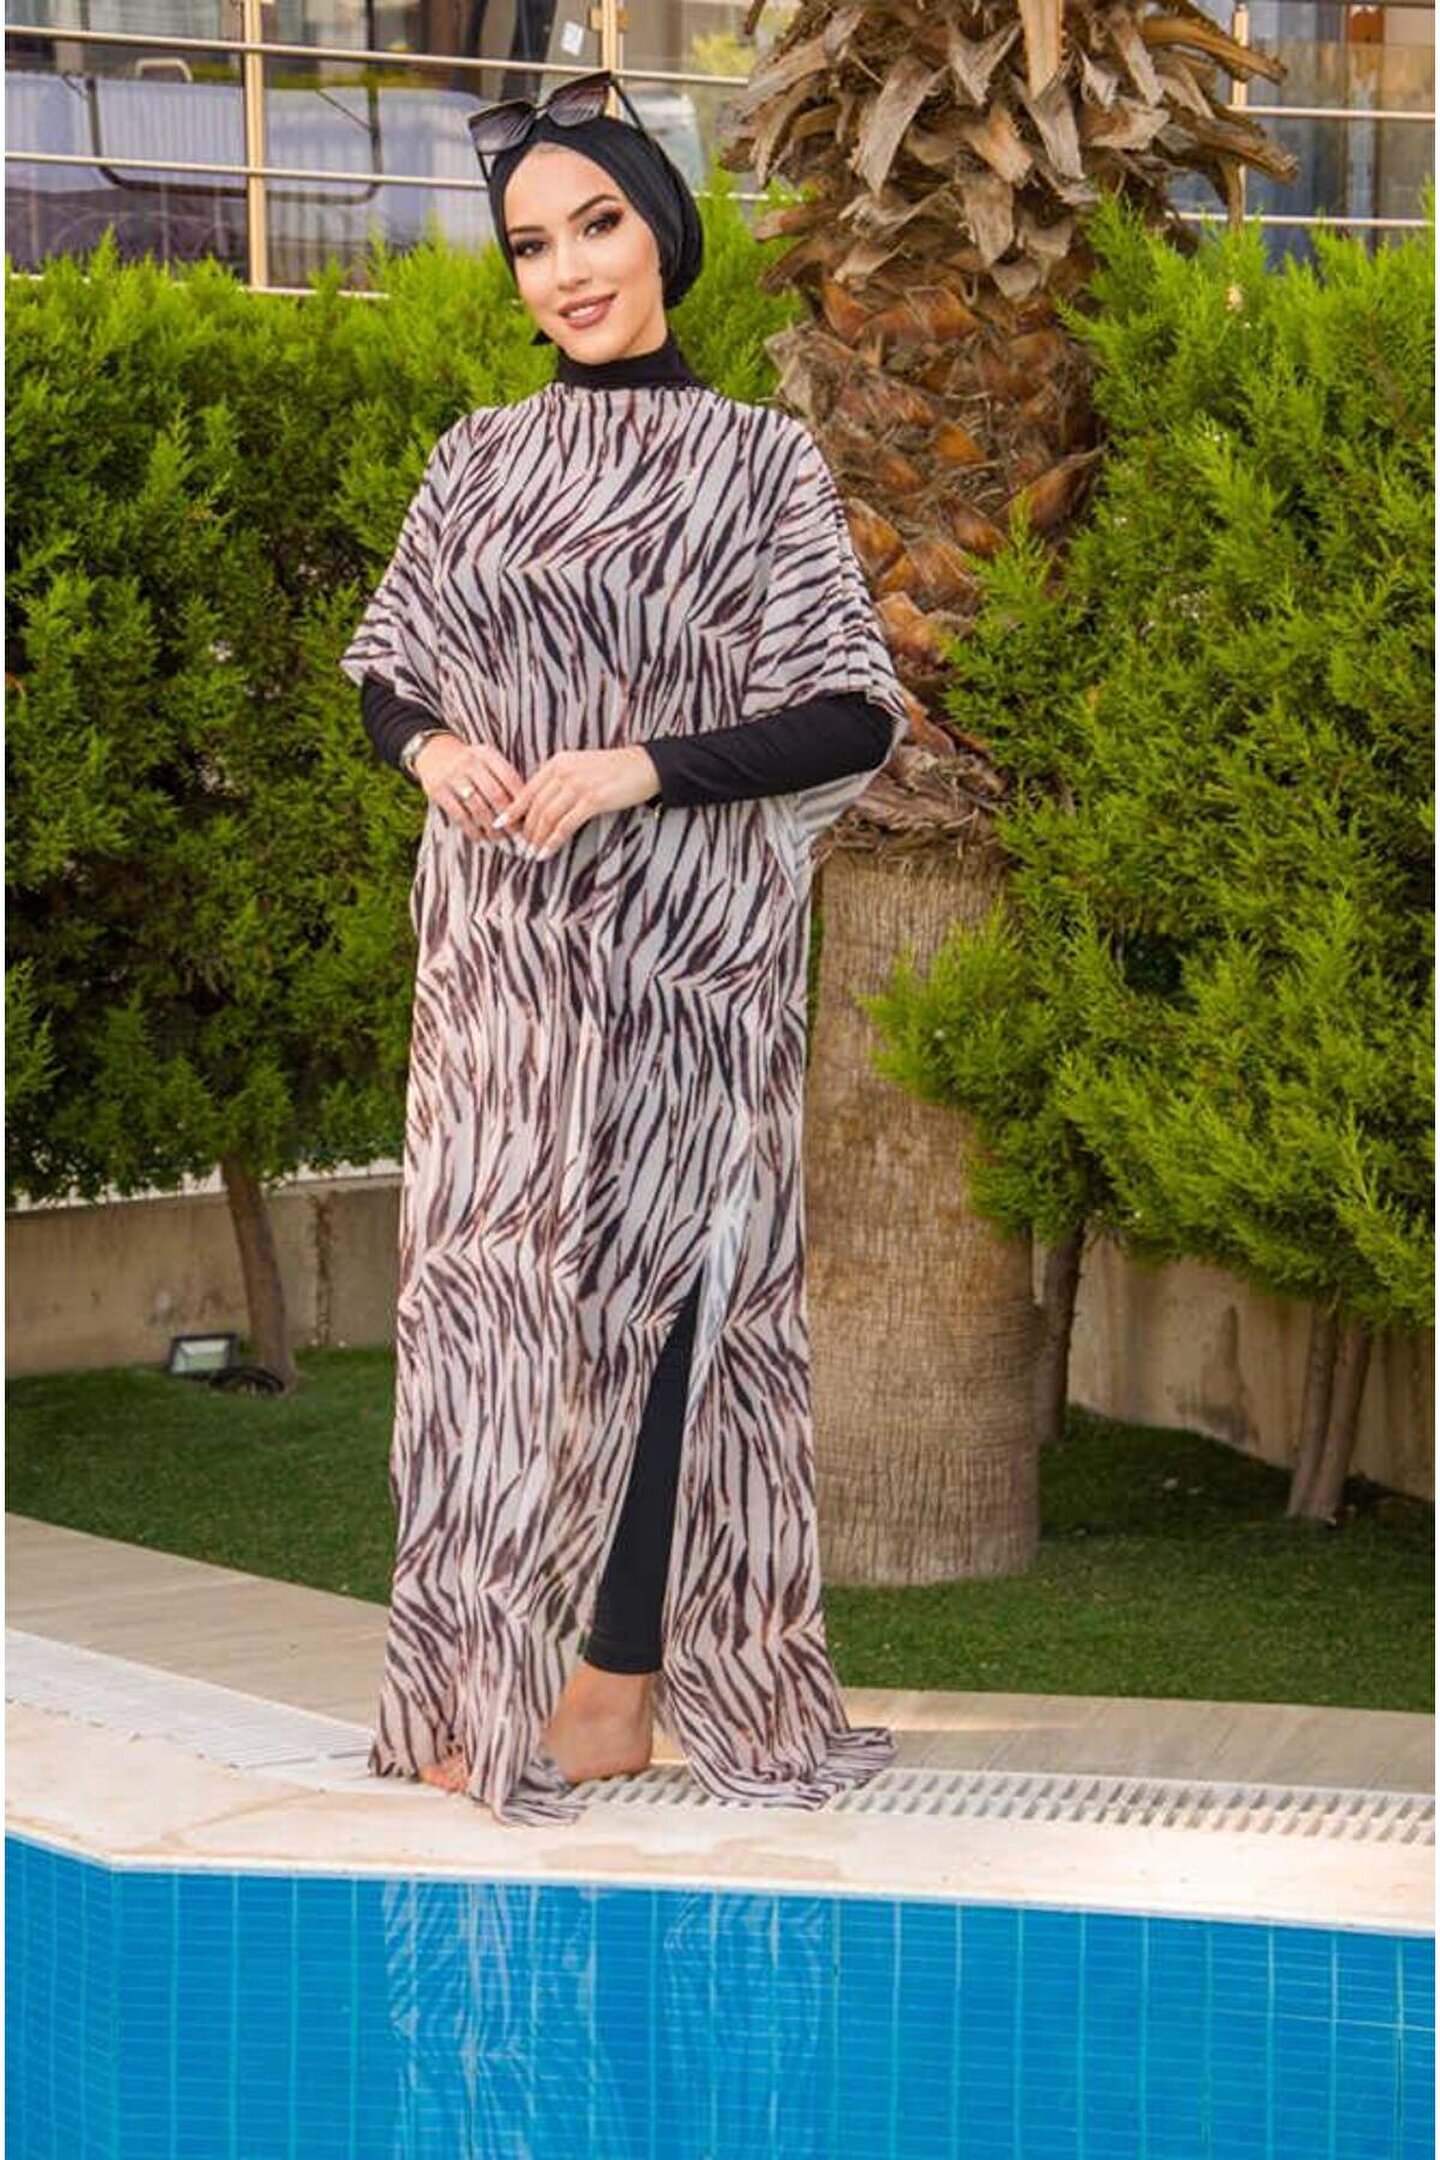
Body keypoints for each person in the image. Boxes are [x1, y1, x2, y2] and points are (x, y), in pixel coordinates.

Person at [340, 71, 911, 1827]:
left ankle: (614, 1688)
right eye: (532, 246)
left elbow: (851, 712)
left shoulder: (758, 461)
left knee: (670, 1307)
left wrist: (639, 768)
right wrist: (435, 750)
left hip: (683, 968)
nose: (569, 271)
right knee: (488, 1317)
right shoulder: (477, 457)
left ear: (661, 234)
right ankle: (473, 1678)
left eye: (596, 225)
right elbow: (389, 670)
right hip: (503, 972)